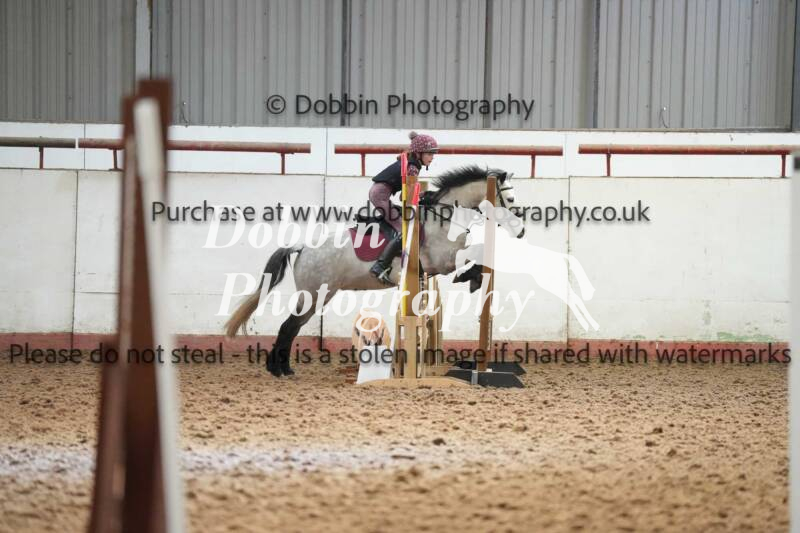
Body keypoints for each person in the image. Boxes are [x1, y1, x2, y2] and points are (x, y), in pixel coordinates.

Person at [368, 131, 438, 284]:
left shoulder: (411, 162)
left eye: (433, 154)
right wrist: (427, 197)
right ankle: (380, 266)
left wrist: (422, 195)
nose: (432, 157)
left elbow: (405, 196)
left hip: (379, 194)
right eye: (429, 154)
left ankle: (418, 273)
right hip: (380, 196)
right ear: (418, 153)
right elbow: (408, 197)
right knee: (405, 231)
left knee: (409, 230)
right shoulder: (413, 167)